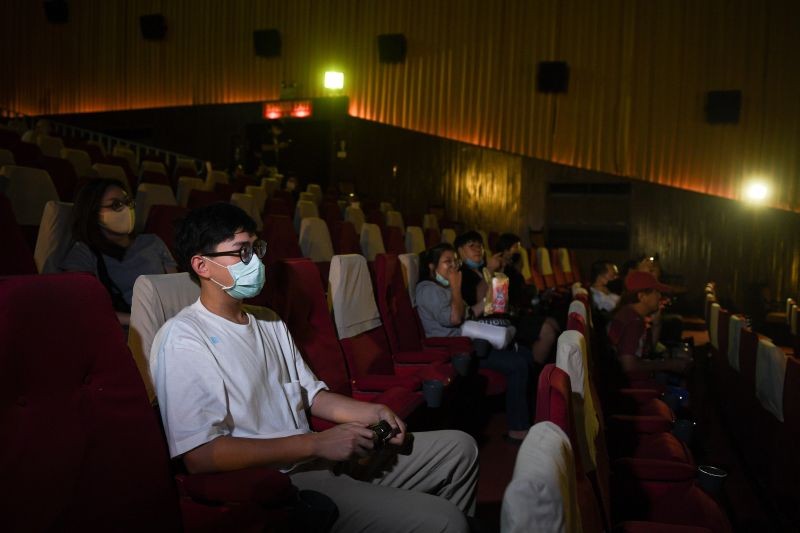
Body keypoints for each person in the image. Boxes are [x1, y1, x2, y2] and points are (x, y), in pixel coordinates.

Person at [150, 203, 478, 532]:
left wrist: (369, 411)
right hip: (284, 482)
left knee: (461, 449)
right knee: (445, 521)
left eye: (256, 249)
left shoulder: (268, 320)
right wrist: (316, 444)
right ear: (202, 265)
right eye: (242, 252)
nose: (256, 262)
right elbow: (200, 455)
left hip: (320, 457)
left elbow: (313, 395)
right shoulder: (183, 339)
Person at [415, 242, 531, 443]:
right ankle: (518, 429)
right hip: (453, 351)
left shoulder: (443, 287)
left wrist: (489, 299)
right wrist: (456, 287)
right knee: (517, 364)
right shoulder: (427, 289)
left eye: (455, 262)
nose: (453, 267)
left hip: (467, 343)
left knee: (524, 354)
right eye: (447, 262)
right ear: (432, 267)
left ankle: (521, 417)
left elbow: (470, 313)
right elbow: (455, 319)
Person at [61, 178, 176, 325]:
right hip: (126, 330)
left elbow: (175, 287)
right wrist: (138, 320)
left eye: (128, 202)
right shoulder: (84, 253)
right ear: (94, 212)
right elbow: (80, 305)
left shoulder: (152, 241)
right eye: (116, 205)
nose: (126, 209)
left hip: (168, 323)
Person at [607, 270, 690, 380]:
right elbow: (628, 365)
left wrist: (657, 324)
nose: (660, 296)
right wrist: (669, 364)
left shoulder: (628, 313)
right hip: (631, 386)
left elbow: (647, 351)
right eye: (656, 292)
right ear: (642, 296)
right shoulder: (633, 321)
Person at [492, 233, 560, 364]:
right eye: (516, 247)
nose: (519, 251)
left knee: (553, 323)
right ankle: (535, 371)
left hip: (520, 311)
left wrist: (538, 297)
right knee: (548, 331)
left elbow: (522, 293)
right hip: (507, 316)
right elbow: (500, 301)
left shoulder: (513, 270)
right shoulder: (498, 269)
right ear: (506, 250)